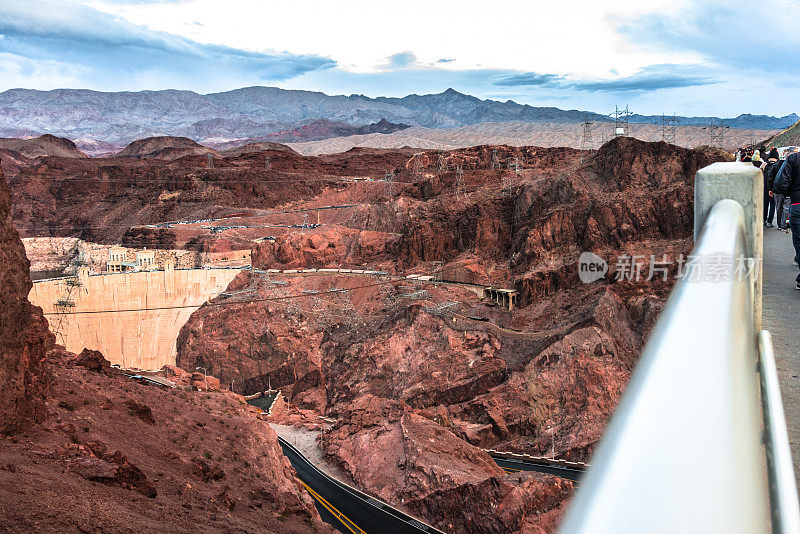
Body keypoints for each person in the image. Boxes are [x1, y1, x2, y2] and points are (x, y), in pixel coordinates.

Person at [773, 150, 800, 289]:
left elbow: (780, 183)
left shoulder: (793, 159)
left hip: (797, 204)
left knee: (799, 240)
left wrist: (790, 194)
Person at [763, 151, 780, 227]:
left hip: (765, 187)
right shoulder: (778, 165)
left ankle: (764, 220)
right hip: (774, 188)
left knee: (765, 204)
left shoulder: (766, 165)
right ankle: (770, 221)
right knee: (772, 205)